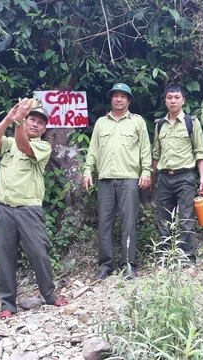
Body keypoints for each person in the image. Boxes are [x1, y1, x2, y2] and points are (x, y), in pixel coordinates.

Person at [0, 98, 67, 320]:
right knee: (5, 257)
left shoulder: (43, 146)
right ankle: (7, 304)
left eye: (40, 123)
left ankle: (49, 294)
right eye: (32, 119)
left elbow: (24, 146)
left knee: (38, 253)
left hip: (29, 209)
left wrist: (19, 122)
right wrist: (9, 118)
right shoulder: (9, 143)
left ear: (44, 129)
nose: (34, 124)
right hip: (4, 208)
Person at [83, 83, 152, 280]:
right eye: (116, 96)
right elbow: (93, 150)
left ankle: (128, 264)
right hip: (105, 180)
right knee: (104, 224)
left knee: (128, 224)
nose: (119, 99)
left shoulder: (137, 122)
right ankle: (105, 266)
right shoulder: (101, 123)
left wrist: (146, 172)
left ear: (129, 100)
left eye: (123, 96)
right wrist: (88, 171)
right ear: (111, 99)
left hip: (129, 179)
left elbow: (145, 149)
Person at [151, 84, 203, 269]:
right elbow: (156, 154)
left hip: (185, 178)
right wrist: (152, 178)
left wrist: (202, 178)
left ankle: (187, 261)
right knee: (163, 220)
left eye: (176, 97)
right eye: (169, 97)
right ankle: (163, 260)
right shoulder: (159, 124)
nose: (173, 101)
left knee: (186, 220)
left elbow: (200, 151)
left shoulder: (192, 122)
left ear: (183, 100)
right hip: (164, 178)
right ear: (165, 100)